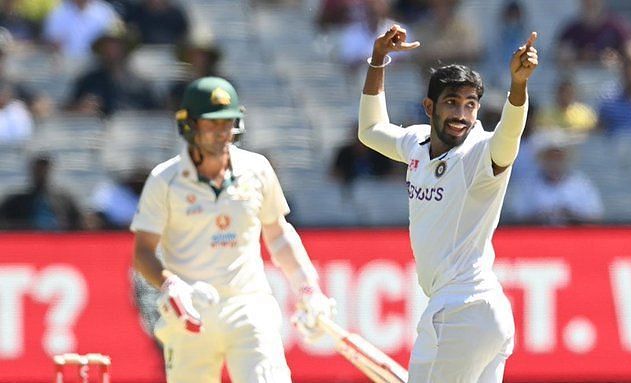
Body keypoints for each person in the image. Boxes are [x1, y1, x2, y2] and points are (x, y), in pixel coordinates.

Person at [358, 25, 538, 382]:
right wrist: (378, 60)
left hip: (465, 309)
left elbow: (509, 137)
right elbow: (370, 129)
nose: (461, 114)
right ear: (429, 106)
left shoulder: (480, 155)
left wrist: (518, 87)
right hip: (457, 311)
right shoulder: (416, 142)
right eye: (452, 103)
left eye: (470, 105)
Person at [130, 76, 334, 383]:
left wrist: (308, 289)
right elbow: (143, 253)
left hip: (248, 305)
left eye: (227, 123)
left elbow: (278, 236)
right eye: (212, 124)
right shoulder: (165, 179)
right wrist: (171, 286)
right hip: (191, 310)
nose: (221, 133)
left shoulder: (257, 169)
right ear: (190, 126)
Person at [510, 131, 603, 225]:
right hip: (538, 236)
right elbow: (519, 218)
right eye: (551, 156)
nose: (555, 160)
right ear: (542, 158)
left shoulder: (581, 184)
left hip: (574, 237)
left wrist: (570, 215)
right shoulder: (528, 185)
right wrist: (542, 215)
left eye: (558, 156)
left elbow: (595, 217)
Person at [0, 154, 83, 230]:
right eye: (38, 170)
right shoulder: (16, 201)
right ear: (32, 172)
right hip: (27, 240)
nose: (41, 173)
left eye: (44, 170)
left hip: (57, 241)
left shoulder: (64, 200)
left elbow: (79, 221)